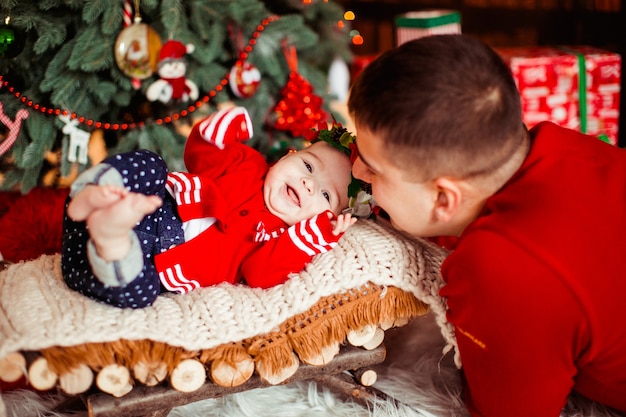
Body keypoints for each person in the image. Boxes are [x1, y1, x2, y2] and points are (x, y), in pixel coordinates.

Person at [348, 34, 626, 416]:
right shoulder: (563, 146)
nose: (356, 170)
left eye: (372, 167)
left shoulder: (503, 269)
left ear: (445, 198)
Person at [62, 106, 359, 309]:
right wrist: (217, 133)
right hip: (153, 205)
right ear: (286, 157)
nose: (308, 183)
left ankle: (110, 244)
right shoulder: (248, 164)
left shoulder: (281, 242)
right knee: (153, 165)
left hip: (139, 262)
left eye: (325, 194)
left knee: (144, 292)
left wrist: (313, 236)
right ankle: (97, 188)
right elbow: (202, 157)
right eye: (308, 165)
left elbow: (258, 274)